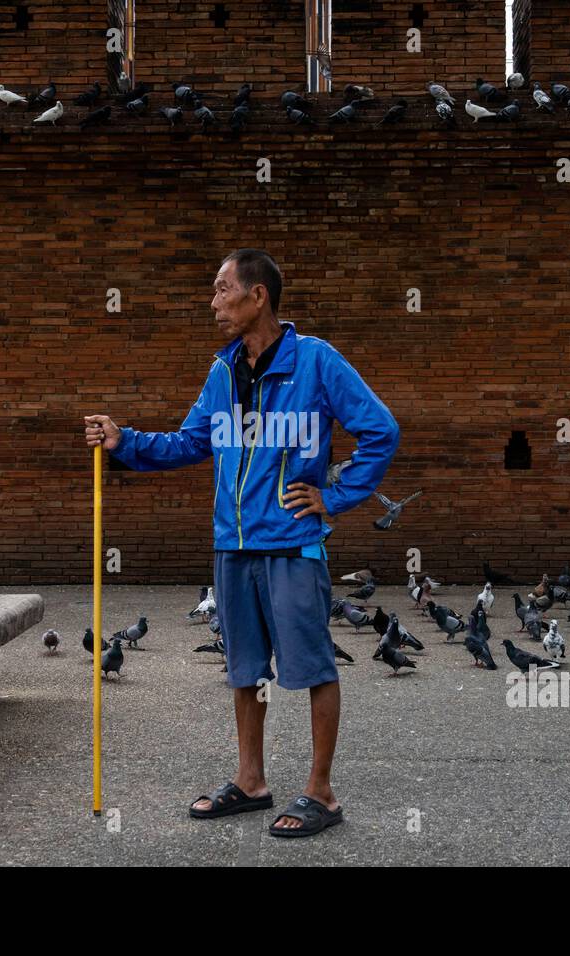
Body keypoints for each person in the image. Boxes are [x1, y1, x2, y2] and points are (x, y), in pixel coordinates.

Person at [84, 249, 399, 838]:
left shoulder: (317, 362)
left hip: (292, 545)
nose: (213, 302)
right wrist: (123, 440)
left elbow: (382, 430)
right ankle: (251, 781)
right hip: (233, 547)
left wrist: (335, 497)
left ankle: (321, 794)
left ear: (258, 296)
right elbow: (188, 444)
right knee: (246, 668)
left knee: (311, 667)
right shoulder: (222, 371)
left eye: (222, 289)